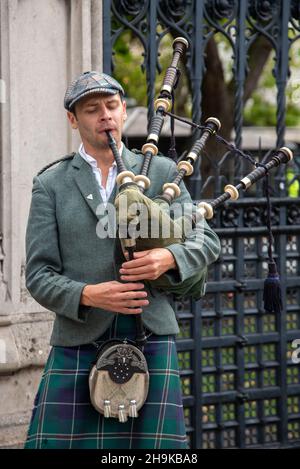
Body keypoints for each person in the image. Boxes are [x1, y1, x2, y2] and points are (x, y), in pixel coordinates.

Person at [24, 71, 221, 449]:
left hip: (149, 335)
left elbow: (206, 239)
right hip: (79, 340)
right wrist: (88, 294)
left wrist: (168, 256)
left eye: (112, 106)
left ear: (123, 110)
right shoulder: (52, 183)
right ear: (73, 119)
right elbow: (38, 274)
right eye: (92, 109)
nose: (105, 116)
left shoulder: (162, 172)